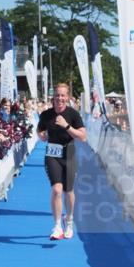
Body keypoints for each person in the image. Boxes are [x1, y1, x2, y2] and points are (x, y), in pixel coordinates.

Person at [37, 83, 87, 240]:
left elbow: (83, 137)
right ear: (53, 97)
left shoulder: (73, 114)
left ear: (68, 97)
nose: (60, 98)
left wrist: (66, 126)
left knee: (69, 191)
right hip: (52, 154)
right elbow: (39, 130)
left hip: (69, 152)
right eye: (57, 95)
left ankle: (69, 220)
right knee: (57, 190)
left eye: (63, 95)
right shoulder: (46, 115)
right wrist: (42, 136)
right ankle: (57, 226)